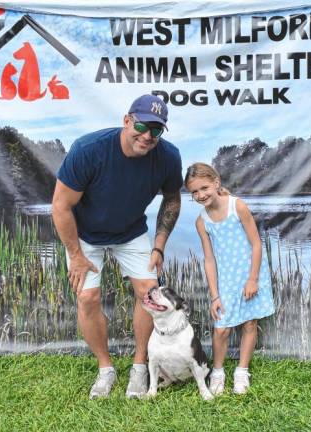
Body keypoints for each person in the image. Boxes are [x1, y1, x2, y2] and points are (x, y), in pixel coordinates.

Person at [52, 94, 182, 399]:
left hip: (130, 230)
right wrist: (76, 255)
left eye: (157, 130)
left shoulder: (168, 156)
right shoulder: (88, 149)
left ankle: (139, 366)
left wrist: (159, 246)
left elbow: (173, 198)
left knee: (149, 293)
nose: (148, 136)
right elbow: (60, 206)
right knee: (87, 297)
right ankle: (105, 369)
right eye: (141, 125)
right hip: (84, 233)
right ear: (127, 120)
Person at [185, 162, 274, 395]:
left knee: (249, 323)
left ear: (216, 183)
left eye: (204, 187)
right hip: (226, 279)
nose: (200, 194)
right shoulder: (202, 221)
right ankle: (218, 371)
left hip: (249, 274)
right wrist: (215, 295)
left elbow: (256, 244)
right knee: (222, 328)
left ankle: (242, 371)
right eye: (194, 191)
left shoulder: (238, 207)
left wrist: (253, 279)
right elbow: (209, 259)